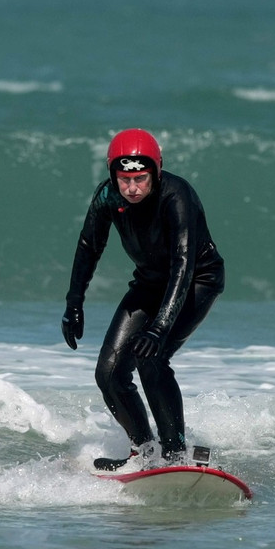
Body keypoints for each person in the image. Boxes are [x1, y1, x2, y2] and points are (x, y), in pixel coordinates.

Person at [61, 128, 225, 471]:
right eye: (124, 179)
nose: (132, 188)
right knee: (108, 373)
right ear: (113, 175)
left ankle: (176, 452)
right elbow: (89, 247)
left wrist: (160, 327)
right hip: (150, 284)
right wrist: (74, 304)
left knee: (153, 357)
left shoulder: (177, 196)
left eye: (140, 178)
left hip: (197, 281)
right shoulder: (108, 197)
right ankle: (144, 453)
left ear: (156, 171)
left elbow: (183, 263)